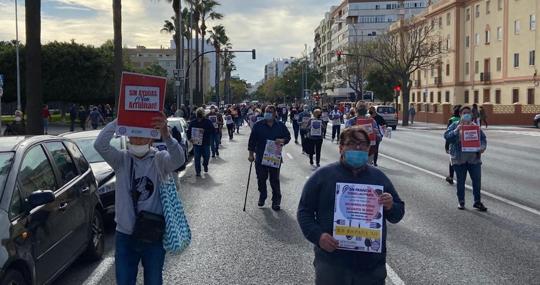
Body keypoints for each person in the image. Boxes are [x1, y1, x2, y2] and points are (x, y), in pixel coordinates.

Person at [297, 126, 405, 285]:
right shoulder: (322, 176)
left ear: (369, 149)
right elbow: (304, 211)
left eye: (362, 144)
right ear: (341, 148)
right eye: (351, 143)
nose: (358, 147)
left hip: (370, 266)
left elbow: (397, 213)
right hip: (332, 262)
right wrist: (318, 236)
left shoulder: (378, 178)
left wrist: (390, 206)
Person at [94, 113, 185, 285]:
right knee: (124, 281)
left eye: (142, 137)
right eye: (134, 136)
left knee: (154, 281)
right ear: (127, 137)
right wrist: (120, 119)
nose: (138, 140)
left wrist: (166, 134)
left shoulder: (159, 159)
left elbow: (179, 159)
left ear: (151, 139)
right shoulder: (121, 159)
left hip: (153, 235)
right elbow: (100, 144)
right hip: (125, 236)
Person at [444, 106, 488, 211]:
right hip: (459, 160)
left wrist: (482, 147)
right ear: (460, 114)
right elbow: (446, 136)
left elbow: (483, 139)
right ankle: (461, 201)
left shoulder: (475, 127)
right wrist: (456, 131)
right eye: (464, 113)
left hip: (474, 159)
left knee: (477, 181)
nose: (467, 114)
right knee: (461, 181)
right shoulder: (455, 125)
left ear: (471, 115)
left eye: (468, 113)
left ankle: (477, 202)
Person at [248, 105, 291, 211]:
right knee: (261, 178)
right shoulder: (258, 125)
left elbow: (288, 137)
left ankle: (276, 201)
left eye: (271, 111)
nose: (268, 113)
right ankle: (262, 195)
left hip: (275, 157)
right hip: (260, 157)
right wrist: (250, 154)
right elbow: (252, 140)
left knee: (274, 180)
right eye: (267, 111)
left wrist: (282, 141)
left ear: (275, 113)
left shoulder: (280, 125)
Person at [187, 108, 215, 177]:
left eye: (201, 113)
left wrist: (205, 132)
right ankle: (198, 172)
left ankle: (205, 165)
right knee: (197, 158)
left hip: (206, 142)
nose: (199, 114)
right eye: (198, 113)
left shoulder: (208, 122)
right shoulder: (193, 122)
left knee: (207, 156)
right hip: (197, 144)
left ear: (203, 114)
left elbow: (213, 130)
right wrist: (190, 139)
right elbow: (188, 131)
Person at [445, 105, 461, 185]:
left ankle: (451, 176)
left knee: (452, 160)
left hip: (454, 144)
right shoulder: (465, 120)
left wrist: (446, 146)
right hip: (464, 145)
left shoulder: (452, 120)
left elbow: (448, 134)